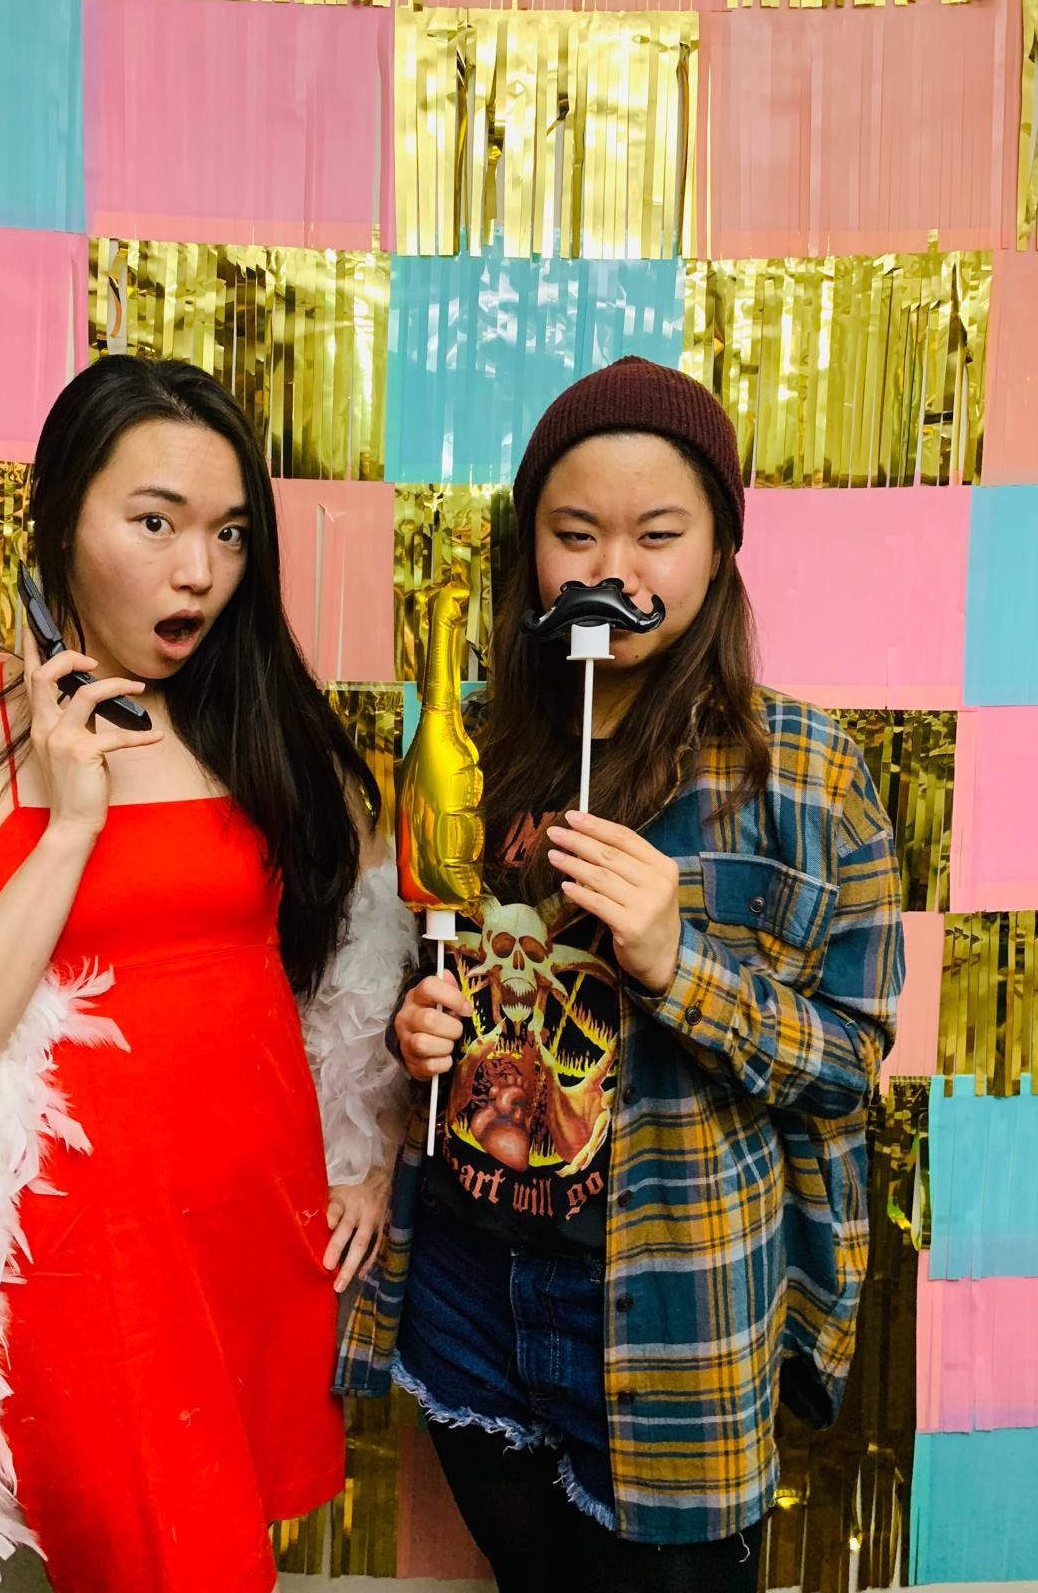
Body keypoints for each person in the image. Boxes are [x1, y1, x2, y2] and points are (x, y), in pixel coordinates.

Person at [0, 355, 413, 1593]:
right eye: (155, 522)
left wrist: (364, 1143)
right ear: (59, 518)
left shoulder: (266, 739)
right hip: (80, 1271)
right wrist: (71, 821)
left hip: (248, 1245)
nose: (199, 572)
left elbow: (353, 946)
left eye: (228, 535)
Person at [337, 357, 905, 1593]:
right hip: (472, 1292)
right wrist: (417, 1024)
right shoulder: (469, 741)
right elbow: (411, 963)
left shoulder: (809, 775)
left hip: (675, 1315)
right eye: (573, 532)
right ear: (527, 550)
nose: (612, 571)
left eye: (658, 534)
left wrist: (677, 961)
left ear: (719, 551)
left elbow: (850, 1062)